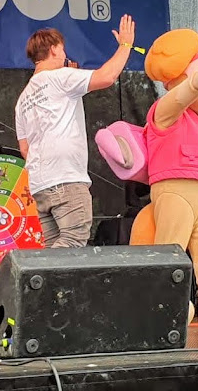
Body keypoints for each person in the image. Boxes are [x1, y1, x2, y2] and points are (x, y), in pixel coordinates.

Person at [15, 14, 136, 248]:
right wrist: (125, 45)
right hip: (66, 177)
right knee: (73, 243)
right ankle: (30, 281)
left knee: (56, 251)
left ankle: (44, 283)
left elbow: (25, 148)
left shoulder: (23, 99)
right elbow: (107, 77)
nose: (64, 54)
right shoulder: (60, 77)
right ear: (53, 49)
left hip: (40, 183)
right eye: (62, 49)